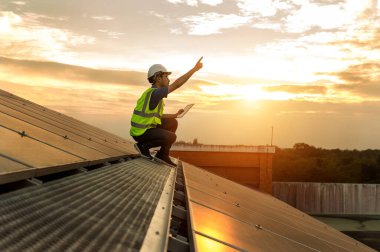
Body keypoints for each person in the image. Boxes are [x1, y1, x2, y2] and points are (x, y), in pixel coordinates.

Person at [130, 57, 203, 166]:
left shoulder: (154, 94)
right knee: (171, 137)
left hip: (145, 129)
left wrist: (174, 115)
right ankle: (143, 146)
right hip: (141, 133)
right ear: (158, 78)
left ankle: (162, 155)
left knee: (173, 122)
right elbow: (177, 84)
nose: (168, 80)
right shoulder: (155, 93)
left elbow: (157, 116)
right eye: (166, 76)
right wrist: (194, 69)